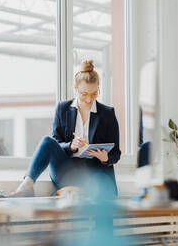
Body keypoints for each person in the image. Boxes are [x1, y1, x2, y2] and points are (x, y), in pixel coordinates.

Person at [11, 60, 122, 198]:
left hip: (96, 173)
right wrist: (71, 146)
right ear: (76, 89)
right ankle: (27, 185)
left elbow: (116, 153)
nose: (89, 99)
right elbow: (57, 141)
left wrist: (105, 158)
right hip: (68, 172)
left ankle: (89, 200)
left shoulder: (107, 113)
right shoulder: (62, 108)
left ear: (98, 88)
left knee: (103, 189)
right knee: (47, 141)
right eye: (84, 94)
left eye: (94, 94)